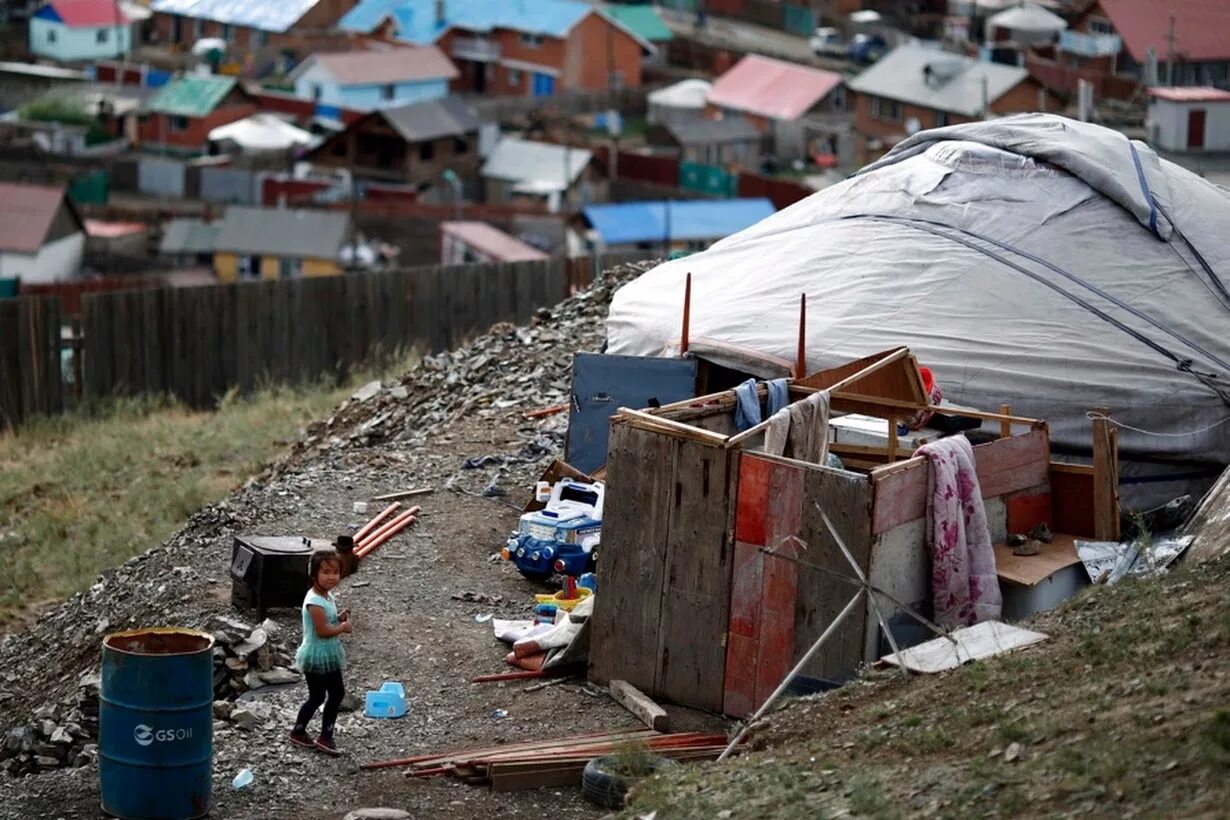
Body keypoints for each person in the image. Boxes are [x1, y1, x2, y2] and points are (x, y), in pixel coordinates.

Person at [289, 550, 351, 756]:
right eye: (325, 572)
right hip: (316, 655)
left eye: (335, 572)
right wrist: (342, 628)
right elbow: (323, 631)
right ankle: (303, 732)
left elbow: (327, 622)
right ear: (314, 574)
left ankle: (325, 736)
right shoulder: (314, 601)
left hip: (328, 653)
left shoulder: (326, 595)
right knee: (317, 696)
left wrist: (338, 618)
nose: (331, 577)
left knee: (335, 693)